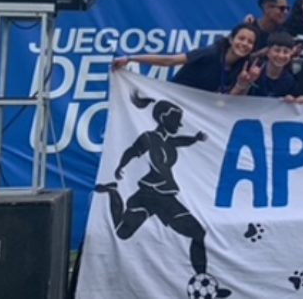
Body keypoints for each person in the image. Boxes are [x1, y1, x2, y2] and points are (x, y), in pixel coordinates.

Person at [94, 91, 231, 298]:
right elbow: (132, 150)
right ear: (164, 118)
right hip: (148, 195)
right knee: (122, 233)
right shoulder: (148, 137)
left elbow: (181, 141)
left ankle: (204, 281)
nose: (180, 124)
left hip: (166, 198)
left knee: (198, 233)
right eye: (176, 120)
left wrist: (195, 138)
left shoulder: (170, 141)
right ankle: (113, 192)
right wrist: (120, 167)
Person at [112, 23, 256, 94]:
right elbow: (170, 61)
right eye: (241, 38)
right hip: (175, 99)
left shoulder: (243, 67)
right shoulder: (211, 53)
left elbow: (228, 102)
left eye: (250, 42)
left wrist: (242, 84)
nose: (244, 44)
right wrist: (130, 58)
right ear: (231, 39)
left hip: (199, 109)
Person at [235, 32, 297, 98]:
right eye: (277, 50)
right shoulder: (251, 70)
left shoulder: (289, 80)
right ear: (268, 52)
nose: (281, 55)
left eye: (286, 52)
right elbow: (237, 100)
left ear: (291, 54)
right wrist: (248, 82)